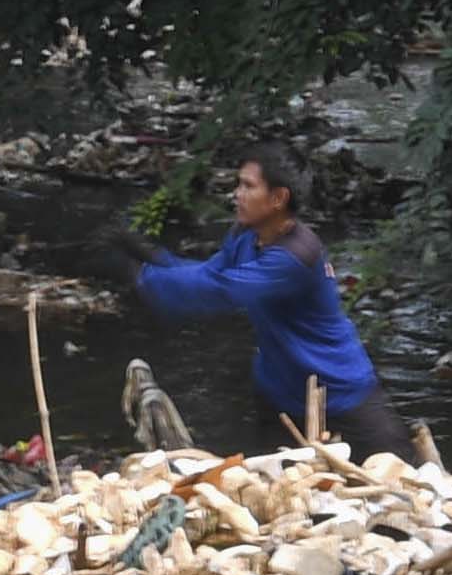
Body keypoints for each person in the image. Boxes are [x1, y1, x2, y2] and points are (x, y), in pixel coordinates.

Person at [130, 143, 415, 462]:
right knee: (276, 490)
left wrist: (138, 276)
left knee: (403, 476)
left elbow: (222, 291)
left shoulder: (294, 256)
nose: (236, 194)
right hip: (280, 391)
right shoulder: (245, 235)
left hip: (338, 391)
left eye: (248, 186)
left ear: (278, 198)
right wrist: (151, 256)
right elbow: (210, 273)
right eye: (238, 184)